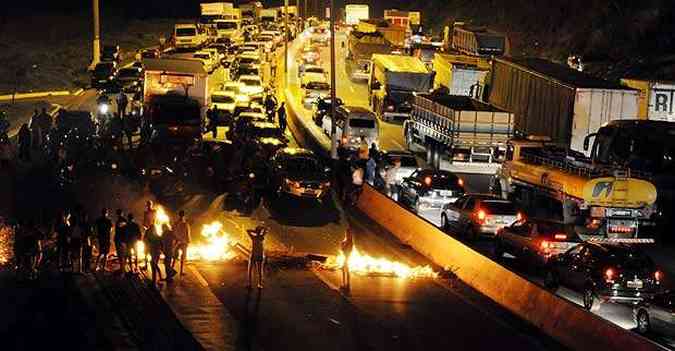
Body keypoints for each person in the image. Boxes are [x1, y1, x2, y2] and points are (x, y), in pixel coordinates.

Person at [173, 210, 191, 276]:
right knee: (183, 257)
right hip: (183, 242)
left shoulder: (176, 223)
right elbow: (188, 233)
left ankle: (171, 269)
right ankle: (181, 271)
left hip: (177, 242)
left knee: (175, 256)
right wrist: (188, 241)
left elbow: (173, 232)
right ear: (184, 215)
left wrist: (175, 241)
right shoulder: (186, 224)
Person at [114, 209, 128, 273]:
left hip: (120, 240)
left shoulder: (121, 221)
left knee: (121, 255)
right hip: (122, 240)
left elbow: (120, 231)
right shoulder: (124, 220)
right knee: (122, 255)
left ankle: (122, 270)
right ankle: (122, 268)